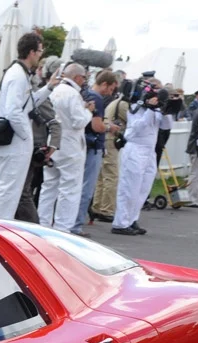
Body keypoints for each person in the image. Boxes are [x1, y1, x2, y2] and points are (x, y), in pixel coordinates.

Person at [0, 31, 44, 220]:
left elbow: (27, 104)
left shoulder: (17, 72)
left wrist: (48, 88)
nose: (41, 55)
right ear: (32, 52)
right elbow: (14, 111)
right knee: (8, 191)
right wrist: (27, 136)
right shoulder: (18, 75)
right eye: (40, 51)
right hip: (15, 141)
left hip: (12, 139)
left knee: (2, 188)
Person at [112, 81, 173, 235]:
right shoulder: (135, 108)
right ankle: (120, 223)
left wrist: (165, 109)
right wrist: (150, 110)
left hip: (149, 152)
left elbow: (166, 126)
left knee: (143, 189)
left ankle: (132, 220)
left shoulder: (156, 110)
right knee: (129, 188)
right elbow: (136, 128)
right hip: (135, 150)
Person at [37, 62, 91, 232]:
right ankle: (63, 228)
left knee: (49, 186)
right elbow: (78, 121)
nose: (84, 81)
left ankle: (42, 224)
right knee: (70, 188)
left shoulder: (55, 91)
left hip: (53, 141)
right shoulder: (72, 94)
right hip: (70, 145)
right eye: (84, 77)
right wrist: (88, 111)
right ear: (77, 77)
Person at [76, 69, 118, 232]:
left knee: (77, 185)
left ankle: (72, 222)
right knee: (86, 188)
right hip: (93, 146)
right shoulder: (97, 99)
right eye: (111, 88)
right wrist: (109, 127)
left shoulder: (85, 94)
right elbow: (97, 126)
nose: (111, 92)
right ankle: (76, 225)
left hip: (82, 143)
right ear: (105, 84)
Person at [90, 84, 129, 223]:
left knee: (102, 177)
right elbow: (131, 121)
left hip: (107, 140)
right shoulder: (124, 105)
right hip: (111, 140)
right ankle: (106, 209)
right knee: (111, 176)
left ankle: (97, 206)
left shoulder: (115, 102)